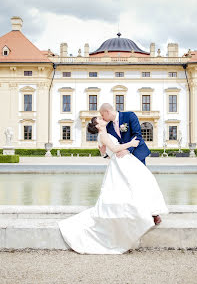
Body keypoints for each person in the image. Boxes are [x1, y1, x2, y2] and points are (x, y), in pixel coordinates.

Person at [58, 116, 169, 254]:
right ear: (97, 125)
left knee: (139, 184)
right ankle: (148, 215)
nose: (102, 118)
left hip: (122, 162)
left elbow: (108, 153)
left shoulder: (104, 134)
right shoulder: (103, 135)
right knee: (135, 186)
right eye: (99, 119)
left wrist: (114, 152)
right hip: (121, 164)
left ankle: (150, 213)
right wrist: (131, 144)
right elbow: (115, 148)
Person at [98, 103, 162, 225]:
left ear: (107, 112)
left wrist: (128, 150)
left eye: (102, 115)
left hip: (136, 154)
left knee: (143, 183)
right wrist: (105, 153)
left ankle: (154, 214)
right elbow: (112, 146)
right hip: (123, 161)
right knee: (127, 186)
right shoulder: (109, 127)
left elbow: (138, 135)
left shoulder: (129, 116)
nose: (102, 117)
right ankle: (134, 213)